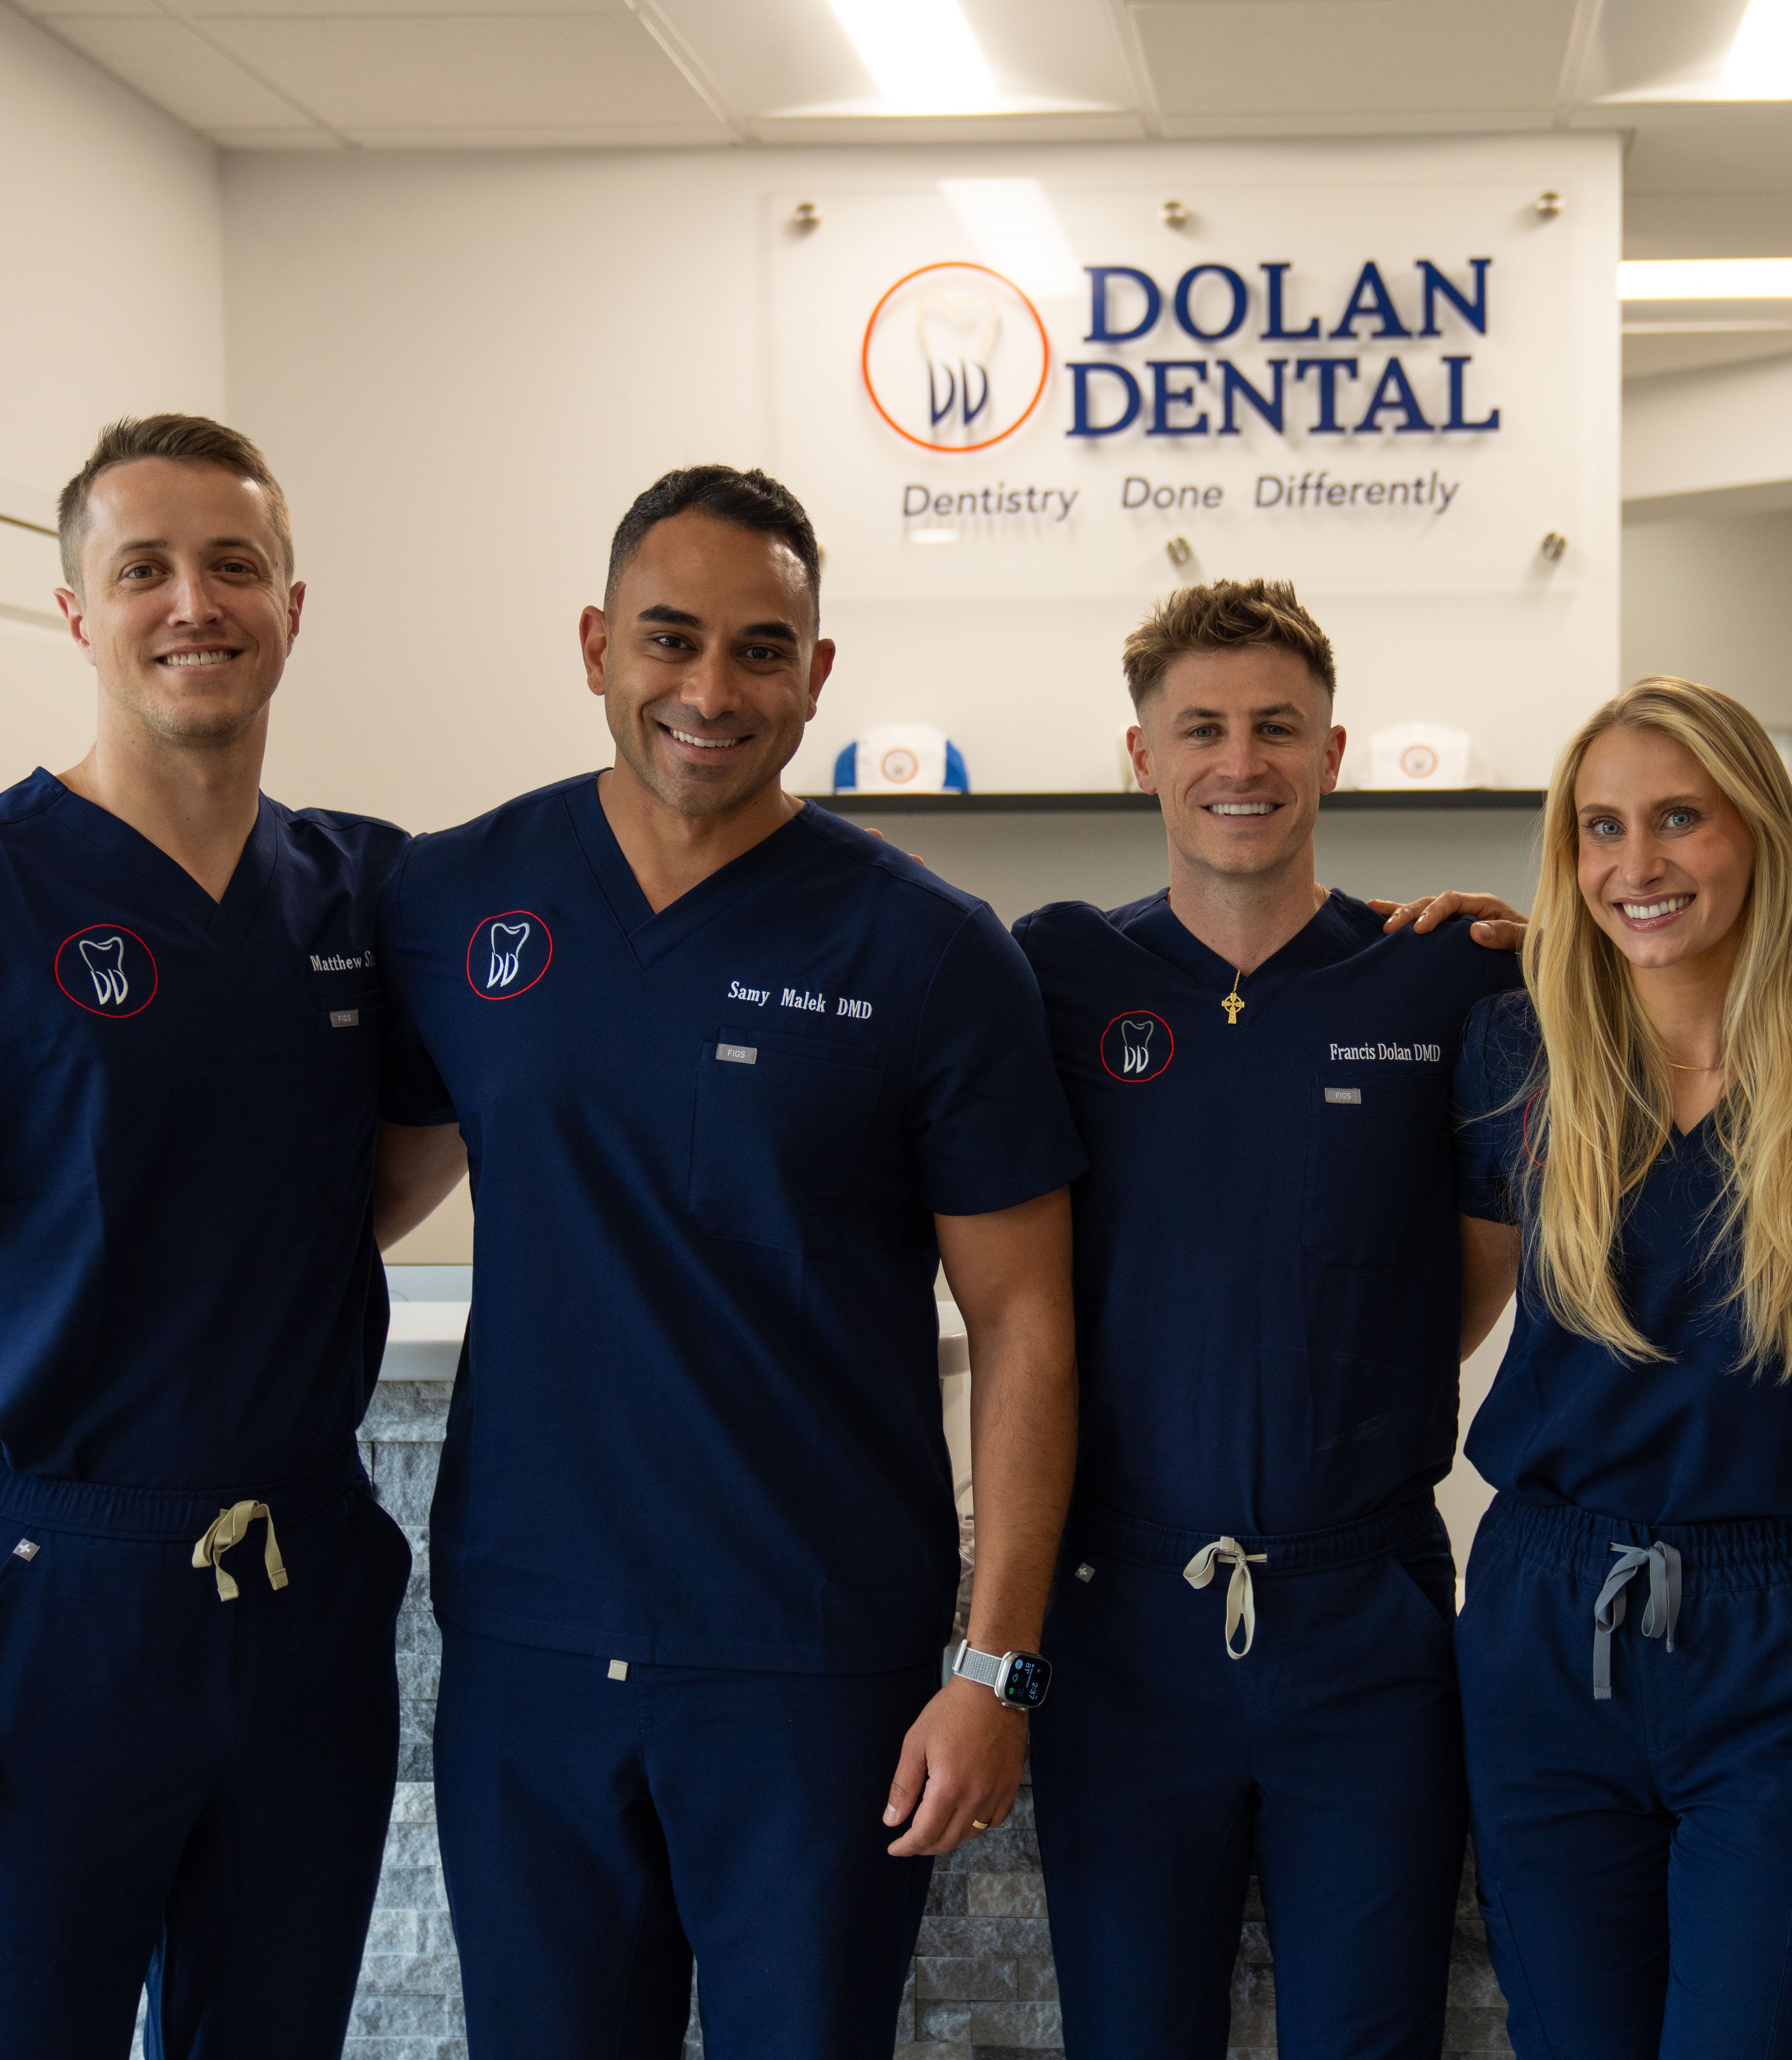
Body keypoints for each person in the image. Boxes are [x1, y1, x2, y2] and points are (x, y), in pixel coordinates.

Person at [371, 464, 1085, 2060]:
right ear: (593, 644)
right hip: (531, 1647)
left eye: (760, 649)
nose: (710, 690)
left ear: (817, 673)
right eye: (668, 639)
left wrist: (996, 1664)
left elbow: (1025, 1320)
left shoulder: (926, 949)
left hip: (809, 1654)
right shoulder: (455, 896)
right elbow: (352, 1188)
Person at [0, 415, 433, 2056]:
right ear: (78, 613)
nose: (191, 601)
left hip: (297, 1598)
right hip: (37, 1606)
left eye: (231, 565)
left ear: (291, 603)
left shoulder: (367, 897)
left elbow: (396, 1157)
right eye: (143, 569)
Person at [1011, 579, 1523, 2060]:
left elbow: (1474, 1262)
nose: (1241, 761)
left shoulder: (1441, 976)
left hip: (1362, 1617)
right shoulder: (1053, 975)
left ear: (1333, 750)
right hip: (1121, 1626)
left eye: (1276, 728)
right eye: (1203, 729)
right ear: (1140, 755)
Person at [1446, 677, 1792, 2060]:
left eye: (1677, 819)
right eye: (1600, 828)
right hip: (1545, 1626)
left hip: (1786, 1634)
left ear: (1759, 832)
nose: (1634, 866)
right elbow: (1442, 1329)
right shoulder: (1516, 1045)